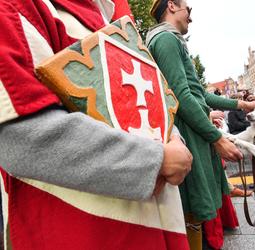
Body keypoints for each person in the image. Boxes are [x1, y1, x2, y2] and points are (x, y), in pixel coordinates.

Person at [0, 1, 193, 249]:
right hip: (85, 234)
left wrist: (174, 137)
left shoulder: (106, 15)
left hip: (154, 225)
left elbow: (153, 99)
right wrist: (155, 159)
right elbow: (18, 135)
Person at [146, 0, 255, 249]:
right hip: (189, 132)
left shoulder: (170, 39)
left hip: (194, 128)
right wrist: (217, 138)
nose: (191, 17)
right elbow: (182, 95)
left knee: (197, 210)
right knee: (194, 210)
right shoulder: (166, 39)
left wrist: (242, 106)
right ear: (171, 5)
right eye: (188, 10)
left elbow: (200, 94)